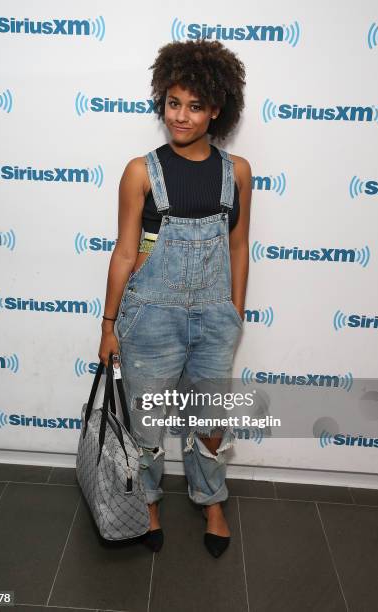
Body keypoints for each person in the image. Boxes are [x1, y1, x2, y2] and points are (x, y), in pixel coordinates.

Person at [98, 39, 251, 557]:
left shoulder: (238, 172)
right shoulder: (141, 171)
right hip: (151, 317)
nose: (181, 117)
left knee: (209, 422)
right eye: (173, 103)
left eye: (195, 106)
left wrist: (235, 311)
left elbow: (238, 245)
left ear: (217, 110)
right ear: (161, 101)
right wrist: (107, 325)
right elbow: (124, 253)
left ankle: (211, 501)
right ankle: (148, 503)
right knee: (147, 426)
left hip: (214, 317)